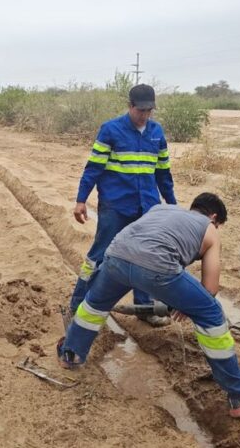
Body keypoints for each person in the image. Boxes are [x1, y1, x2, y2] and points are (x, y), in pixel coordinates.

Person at [59, 193, 240, 418]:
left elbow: (143, 243)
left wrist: (182, 299)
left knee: (94, 306)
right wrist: (188, 304)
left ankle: (70, 355)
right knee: (212, 314)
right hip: (156, 266)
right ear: (214, 217)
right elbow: (210, 289)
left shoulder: (162, 209)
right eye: (218, 225)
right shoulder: (210, 228)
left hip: (115, 257)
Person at [69, 84, 177, 327]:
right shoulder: (110, 130)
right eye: (141, 110)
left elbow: (163, 174)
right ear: (130, 106)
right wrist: (81, 200)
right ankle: (77, 305)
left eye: (149, 111)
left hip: (147, 208)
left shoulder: (156, 132)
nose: (145, 115)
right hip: (115, 208)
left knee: (145, 258)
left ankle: (144, 308)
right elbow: (93, 168)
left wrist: (172, 206)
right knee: (98, 257)